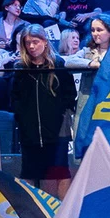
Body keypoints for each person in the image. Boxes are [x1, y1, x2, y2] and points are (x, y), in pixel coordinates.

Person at [9, 27, 76, 196]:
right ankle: (32, 210)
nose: (31, 46)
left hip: (57, 129)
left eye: (35, 42)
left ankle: (63, 210)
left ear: (45, 42)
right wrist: (22, 118)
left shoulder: (58, 64)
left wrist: (60, 113)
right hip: (29, 130)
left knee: (60, 171)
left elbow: (69, 94)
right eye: (28, 43)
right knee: (29, 171)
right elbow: (15, 98)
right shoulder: (21, 68)